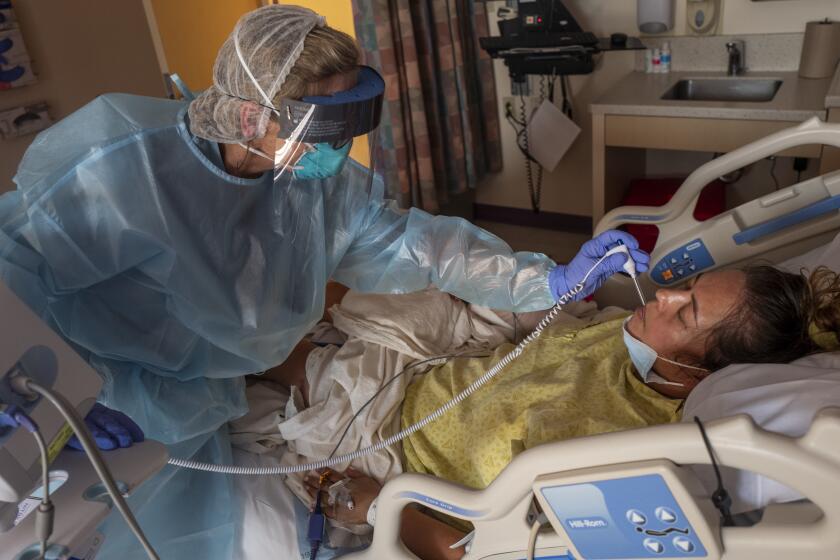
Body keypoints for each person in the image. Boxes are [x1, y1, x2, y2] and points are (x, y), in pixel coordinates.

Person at [0, 5, 648, 558]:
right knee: (67, 530)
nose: (342, 151)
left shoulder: (315, 183)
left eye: (351, 125)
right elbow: (15, 271)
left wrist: (549, 276)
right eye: (326, 129)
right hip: (78, 388)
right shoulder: (122, 167)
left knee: (177, 532)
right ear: (252, 115)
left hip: (197, 399)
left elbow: (413, 243)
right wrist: (50, 396)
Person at [287, 264, 840, 560]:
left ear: (701, 372)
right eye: (687, 286)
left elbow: (477, 552)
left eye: (687, 312)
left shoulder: (631, 445)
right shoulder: (625, 333)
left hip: (386, 436)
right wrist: (547, 283)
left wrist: (376, 508)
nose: (664, 296)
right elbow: (544, 333)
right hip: (434, 362)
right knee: (322, 287)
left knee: (275, 352)